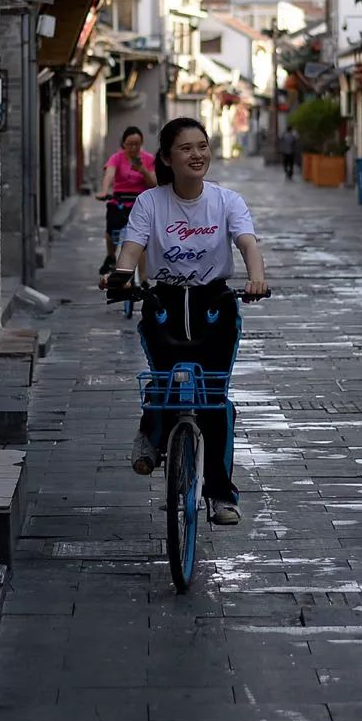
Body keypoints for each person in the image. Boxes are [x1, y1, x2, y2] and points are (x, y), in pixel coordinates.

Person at [103, 117, 267, 526]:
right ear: (166, 158)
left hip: (215, 305)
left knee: (213, 399)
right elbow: (132, 247)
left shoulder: (227, 200)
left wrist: (257, 277)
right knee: (164, 383)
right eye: (186, 148)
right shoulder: (150, 202)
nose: (197, 155)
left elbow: (247, 242)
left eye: (202, 146)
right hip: (166, 303)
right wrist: (121, 277)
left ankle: (220, 495)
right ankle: (152, 433)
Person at [96, 126, 156, 277]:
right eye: (130, 144)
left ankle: (143, 279)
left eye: (137, 144)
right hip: (120, 200)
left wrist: (142, 170)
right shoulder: (116, 158)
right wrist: (104, 191)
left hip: (141, 202)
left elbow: (153, 184)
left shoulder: (148, 159)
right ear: (123, 144)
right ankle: (111, 256)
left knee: (143, 242)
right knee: (111, 228)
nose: (134, 147)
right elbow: (109, 175)